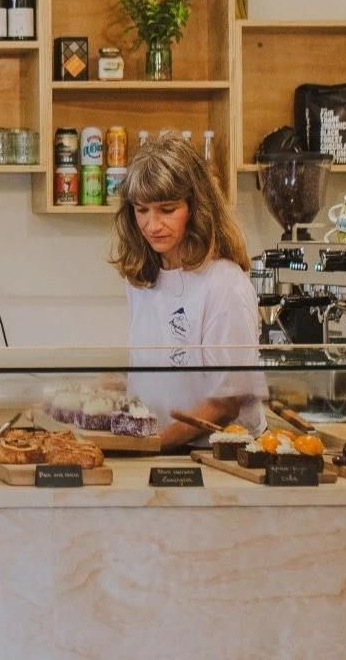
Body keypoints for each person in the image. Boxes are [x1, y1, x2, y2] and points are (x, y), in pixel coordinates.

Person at [110, 131, 268, 450]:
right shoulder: (142, 278)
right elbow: (158, 371)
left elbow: (225, 402)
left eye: (167, 210)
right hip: (161, 445)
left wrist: (151, 446)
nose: (153, 225)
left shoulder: (225, 284)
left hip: (218, 453)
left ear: (196, 208)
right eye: (142, 210)